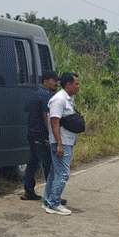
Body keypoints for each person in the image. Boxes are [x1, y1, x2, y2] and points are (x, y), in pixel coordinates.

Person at [44, 72, 80, 215]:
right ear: (68, 84)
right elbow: (54, 122)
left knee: (54, 172)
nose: (78, 87)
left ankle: (48, 199)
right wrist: (59, 144)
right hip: (62, 142)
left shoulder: (68, 99)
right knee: (63, 174)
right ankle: (54, 203)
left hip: (66, 141)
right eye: (76, 84)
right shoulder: (59, 100)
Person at [21, 69, 59, 201]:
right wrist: (51, 135)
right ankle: (51, 196)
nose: (56, 84)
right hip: (41, 136)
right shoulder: (46, 96)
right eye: (54, 81)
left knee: (32, 163)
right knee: (48, 165)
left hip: (32, 134)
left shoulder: (34, 93)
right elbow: (46, 116)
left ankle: (29, 191)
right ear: (46, 81)